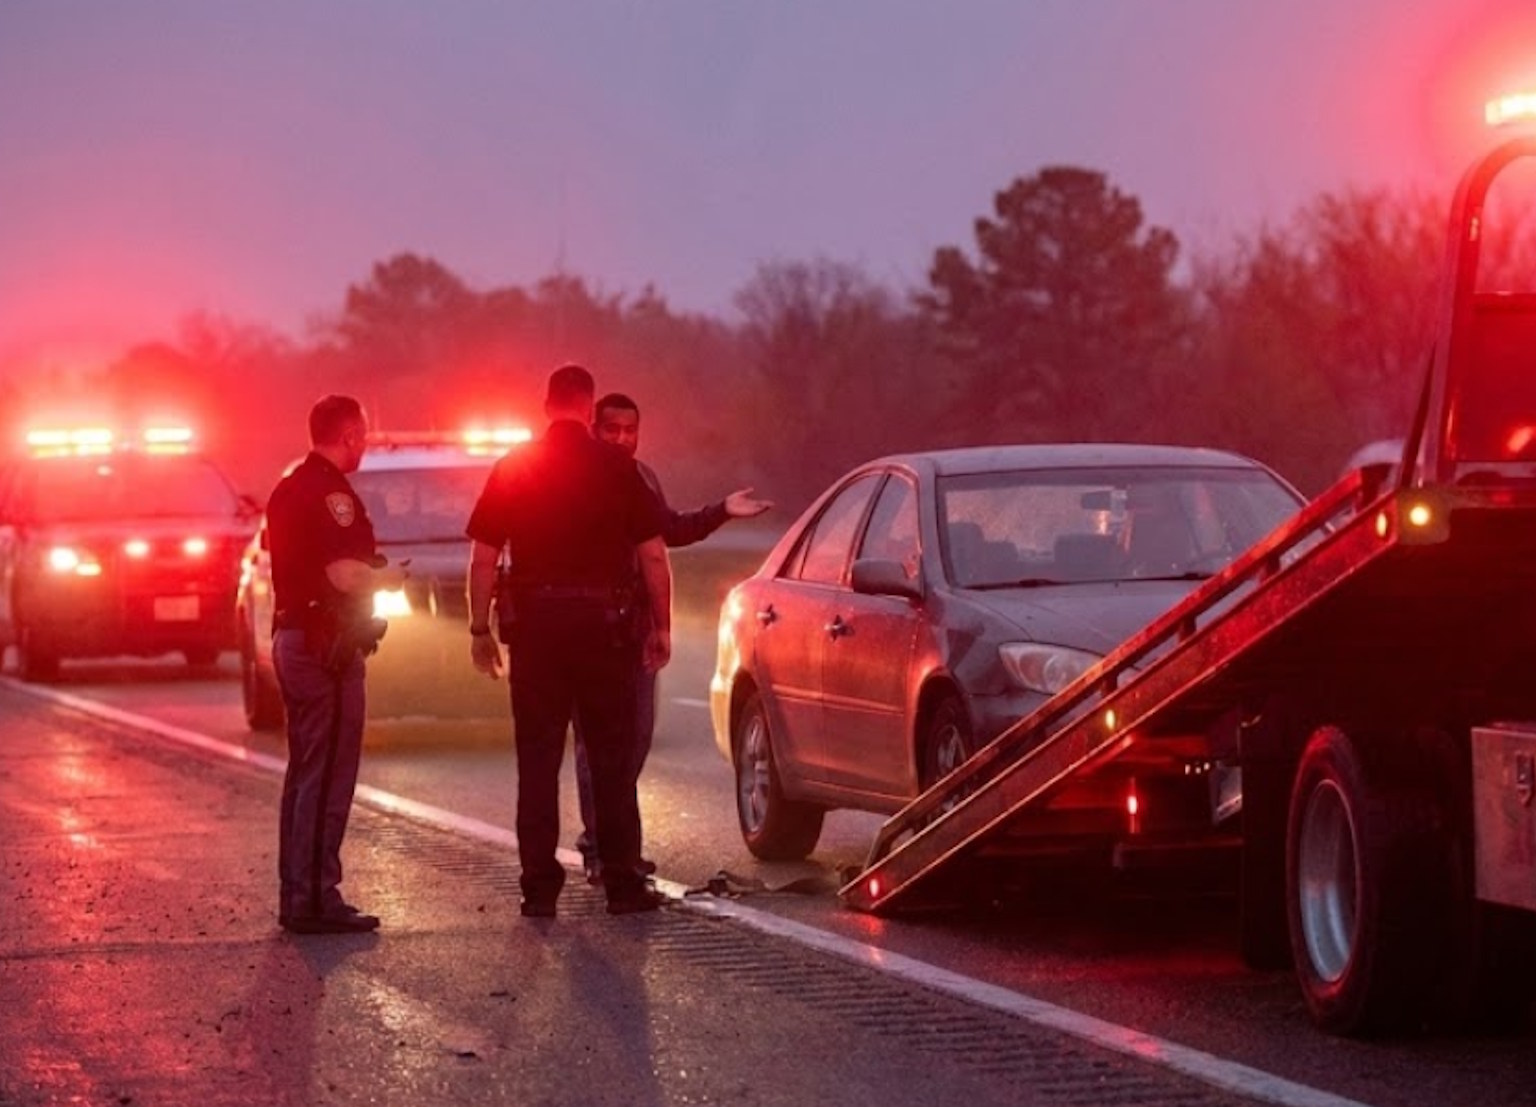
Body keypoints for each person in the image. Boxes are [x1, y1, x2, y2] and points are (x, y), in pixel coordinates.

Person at [465, 365, 673, 917]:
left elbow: (484, 557)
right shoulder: (616, 467)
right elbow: (653, 552)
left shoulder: (514, 467)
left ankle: (538, 887)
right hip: (605, 633)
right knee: (611, 756)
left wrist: (479, 628)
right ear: (588, 409)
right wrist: (663, 627)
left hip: (535, 634)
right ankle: (623, 882)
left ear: (545, 406)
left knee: (536, 761)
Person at [573, 392, 773, 883]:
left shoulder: (642, 478)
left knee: (636, 740)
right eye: (611, 429)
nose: (622, 438)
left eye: (630, 430)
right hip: (587, 630)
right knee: (596, 745)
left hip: (634, 629)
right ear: (593, 428)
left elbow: (668, 532)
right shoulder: (576, 480)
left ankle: (616, 842)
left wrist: (722, 509)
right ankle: (601, 846)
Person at [267, 394, 407, 934]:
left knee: (306, 772)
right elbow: (342, 574)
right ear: (348, 434)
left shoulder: (290, 487)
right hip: (323, 646)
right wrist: (386, 579)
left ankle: (300, 893)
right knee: (326, 775)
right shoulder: (330, 494)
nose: (365, 446)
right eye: (363, 436)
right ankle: (315, 899)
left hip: (299, 639)